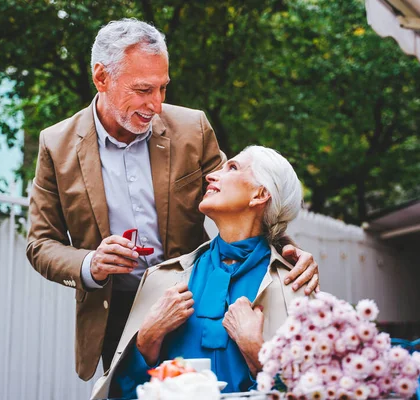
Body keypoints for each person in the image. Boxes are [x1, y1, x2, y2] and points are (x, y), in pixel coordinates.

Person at [26, 18, 320, 382]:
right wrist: (91, 264)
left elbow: (242, 200)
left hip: (194, 305)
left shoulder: (193, 128)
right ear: (102, 78)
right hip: (114, 315)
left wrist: (287, 254)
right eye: (143, 90)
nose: (157, 105)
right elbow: (40, 244)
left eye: (163, 88)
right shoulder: (55, 145)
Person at [90, 146, 307, 399]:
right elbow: (123, 393)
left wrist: (258, 353)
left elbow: (315, 390)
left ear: (259, 195)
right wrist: (147, 340)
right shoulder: (159, 279)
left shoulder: (295, 287)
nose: (211, 176)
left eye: (233, 167)